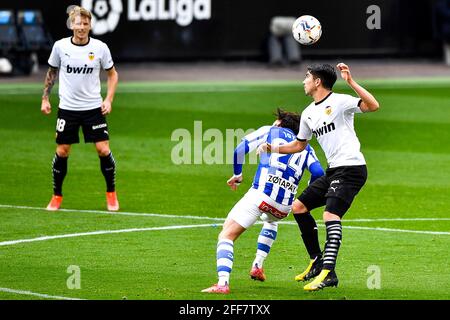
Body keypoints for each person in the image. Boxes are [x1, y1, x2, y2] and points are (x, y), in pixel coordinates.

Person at [257, 63, 380, 291]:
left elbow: (373, 105)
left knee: (330, 214)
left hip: (351, 169)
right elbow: (299, 145)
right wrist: (272, 148)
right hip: (334, 170)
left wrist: (351, 82)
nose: (303, 81)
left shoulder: (341, 102)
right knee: (299, 207)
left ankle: (328, 273)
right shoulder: (308, 113)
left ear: (317, 82)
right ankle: (317, 261)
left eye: (307, 77)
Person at [201, 108, 324, 294]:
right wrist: (307, 192)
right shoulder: (306, 146)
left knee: (226, 235)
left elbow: (239, 150)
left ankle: (222, 283)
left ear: (280, 123)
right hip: (284, 206)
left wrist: (238, 175)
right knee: (271, 220)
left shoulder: (270, 131)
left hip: (261, 195)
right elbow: (319, 173)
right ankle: (257, 265)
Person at [41, 6, 119, 211]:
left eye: (85, 23)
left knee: (103, 149)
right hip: (68, 108)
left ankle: (111, 193)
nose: (82, 27)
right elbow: (51, 73)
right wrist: (45, 98)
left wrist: (109, 99)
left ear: (90, 25)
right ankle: (56, 196)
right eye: (78, 23)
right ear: (71, 24)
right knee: (62, 150)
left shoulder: (100, 47)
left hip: (93, 108)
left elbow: (113, 74)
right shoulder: (60, 47)